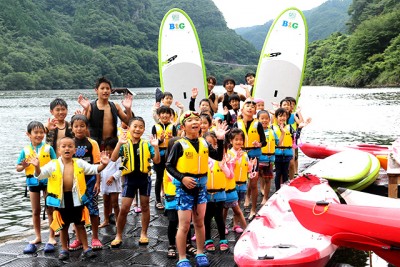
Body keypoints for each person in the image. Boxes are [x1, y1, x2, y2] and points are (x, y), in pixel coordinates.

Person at [30, 137, 110, 260]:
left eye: (70, 146)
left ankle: (86, 248)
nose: (67, 148)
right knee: (63, 227)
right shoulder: (53, 164)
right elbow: (40, 175)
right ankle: (64, 250)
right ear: (59, 150)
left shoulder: (79, 163)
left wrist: (103, 164)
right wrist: (36, 166)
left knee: (80, 225)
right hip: (61, 201)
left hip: (76, 199)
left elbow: (94, 169)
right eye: (64, 146)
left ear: (75, 150)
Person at [166, 110, 228, 267]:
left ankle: (200, 252)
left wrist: (220, 140)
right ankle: (182, 257)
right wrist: (183, 178)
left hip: (201, 188)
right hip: (184, 189)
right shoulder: (179, 145)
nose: (194, 122)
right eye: (190, 121)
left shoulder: (204, 142)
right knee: (185, 224)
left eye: (197, 119)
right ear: (183, 126)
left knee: (200, 222)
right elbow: (168, 165)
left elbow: (219, 157)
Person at [110, 117, 160, 248]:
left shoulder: (147, 144)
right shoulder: (124, 143)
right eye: (135, 126)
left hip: (144, 179)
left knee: (145, 206)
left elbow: (157, 161)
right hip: (129, 180)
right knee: (124, 208)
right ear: (129, 128)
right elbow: (113, 158)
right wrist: (119, 143)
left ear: (144, 129)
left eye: (141, 127)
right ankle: (118, 235)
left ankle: (144, 233)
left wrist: (156, 147)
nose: (138, 129)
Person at [16, 121, 58, 254]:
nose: (39, 135)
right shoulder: (25, 150)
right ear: (29, 134)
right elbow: (18, 168)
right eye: (36, 132)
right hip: (33, 183)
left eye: (41, 132)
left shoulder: (48, 148)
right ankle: (38, 236)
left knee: (50, 209)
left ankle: (51, 236)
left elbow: (56, 164)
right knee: (35, 210)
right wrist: (23, 165)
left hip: (47, 182)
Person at [69, 114, 103, 251]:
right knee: (76, 212)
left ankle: (95, 237)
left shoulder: (92, 143)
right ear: (71, 128)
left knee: (93, 210)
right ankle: (78, 239)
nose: (79, 129)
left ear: (87, 127)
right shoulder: (69, 143)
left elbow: (97, 164)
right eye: (76, 126)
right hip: (75, 184)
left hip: (90, 182)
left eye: (82, 126)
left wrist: (98, 182)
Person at [164, 137, 197, 259]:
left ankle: (187, 244)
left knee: (186, 222)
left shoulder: (186, 166)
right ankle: (172, 245)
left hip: (185, 196)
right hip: (172, 198)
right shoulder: (169, 167)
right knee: (173, 222)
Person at [233, 98, 266, 221]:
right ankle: (237, 213)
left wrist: (259, 144)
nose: (250, 107)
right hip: (240, 156)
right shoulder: (237, 124)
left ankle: (253, 209)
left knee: (253, 183)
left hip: (253, 156)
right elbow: (231, 139)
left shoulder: (258, 124)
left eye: (253, 106)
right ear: (242, 109)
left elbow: (264, 141)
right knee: (238, 183)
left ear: (255, 110)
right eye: (248, 105)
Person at [77, 76, 133, 149]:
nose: (105, 91)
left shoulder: (115, 106)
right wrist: (86, 109)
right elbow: (83, 124)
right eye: (102, 88)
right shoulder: (90, 106)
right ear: (96, 90)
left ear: (111, 90)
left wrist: (128, 109)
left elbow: (129, 122)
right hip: (95, 144)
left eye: (107, 88)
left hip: (112, 145)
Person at [203, 132, 231, 252]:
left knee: (219, 216)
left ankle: (223, 239)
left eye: (214, 144)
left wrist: (223, 166)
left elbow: (229, 175)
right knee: (207, 217)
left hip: (220, 193)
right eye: (208, 144)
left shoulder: (222, 158)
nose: (211, 146)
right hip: (206, 193)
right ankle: (208, 239)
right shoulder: (201, 159)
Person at [224, 128, 253, 234]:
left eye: (241, 140)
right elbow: (229, 167)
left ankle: (235, 224)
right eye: (236, 139)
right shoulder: (228, 154)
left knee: (238, 205)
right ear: (231, 141)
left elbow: (247, 168)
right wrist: (236, 158)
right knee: (226, 206)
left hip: (242, 183)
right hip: (232, 185)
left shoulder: (245, 154)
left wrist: (250, 166)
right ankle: (223, 225)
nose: (239, 142)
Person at [152, 106, 177, 210]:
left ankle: (170, 196)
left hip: (170, 153)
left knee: (171, 176)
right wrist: (160, 140)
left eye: (167, 113)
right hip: (159, 153)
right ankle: (157, 200)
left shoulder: (172, 127)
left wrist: (172, 139)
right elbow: (153, 142)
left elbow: (176, 141)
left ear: (170, 115)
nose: (165, 115)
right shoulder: (155, 127)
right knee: (159, 177)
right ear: (158, 115)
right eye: (162, 113)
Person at [99, 137, 121, 228]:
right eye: (107, 149)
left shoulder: (117, 158)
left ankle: (118, 220)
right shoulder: (103, 158)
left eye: (111, 149)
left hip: (113, 185)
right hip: (104, 183)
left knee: (115, 203)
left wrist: (112, 177)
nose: (108, 151)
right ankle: (106, 220)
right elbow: (100, 169)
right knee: (105, 202)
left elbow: (120, 171)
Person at [257, 110, 277, 204]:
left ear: (269, 120)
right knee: (260, 175)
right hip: (259, 158)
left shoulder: (272, 131)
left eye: (266, 118)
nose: (264, 120)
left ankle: (265, 197)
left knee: (268, 178)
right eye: (262, 118)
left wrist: (283, 133)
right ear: (258, 120)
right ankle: (260, 189)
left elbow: (278, 142)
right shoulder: (256, 131)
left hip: (269, 159)